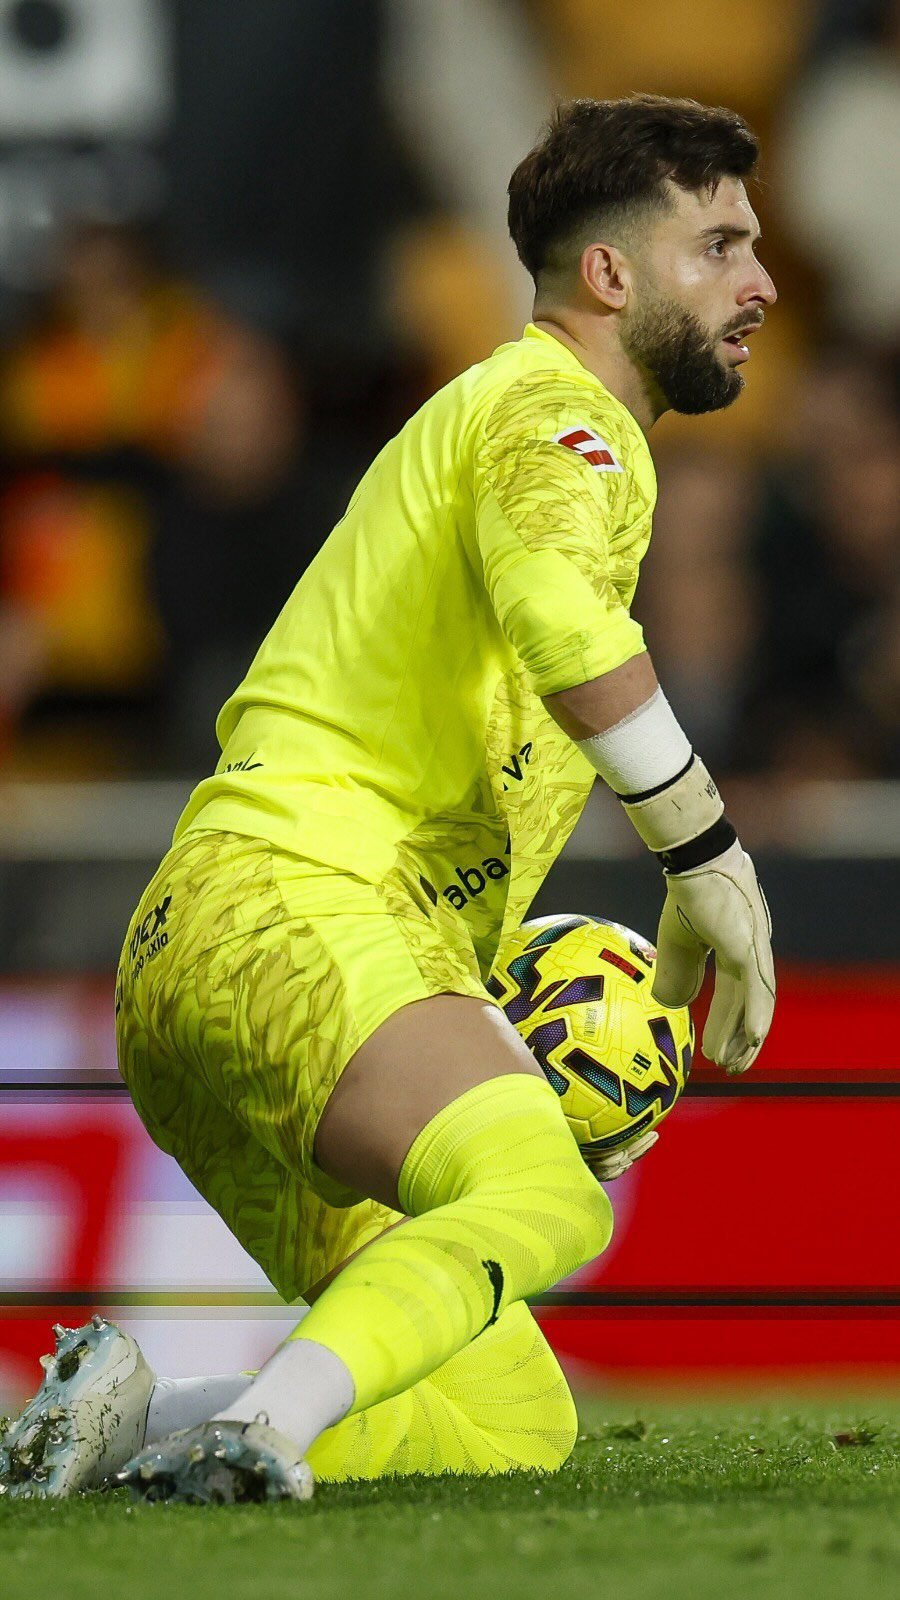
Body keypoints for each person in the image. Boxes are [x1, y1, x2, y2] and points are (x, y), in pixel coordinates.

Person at [1, 94, 776, 1503]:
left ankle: (125, 1424)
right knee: (541, 1196)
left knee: (501, 1417)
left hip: (206, 949)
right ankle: (261, 1440)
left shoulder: (496, 419)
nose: (762, 282)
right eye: (719, 245)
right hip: (302, 906)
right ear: (610, 274)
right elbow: (564, 623)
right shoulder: (556, 413)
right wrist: (705, 850)